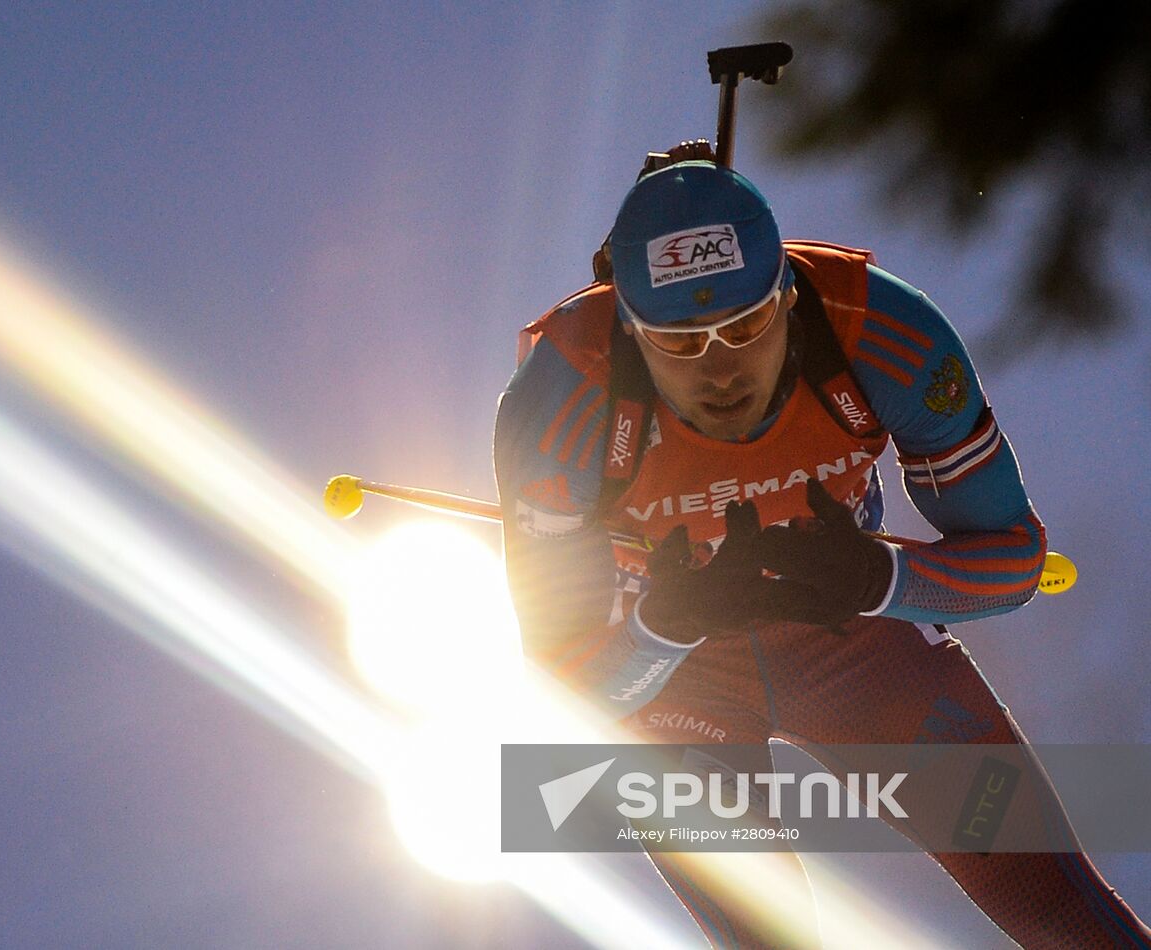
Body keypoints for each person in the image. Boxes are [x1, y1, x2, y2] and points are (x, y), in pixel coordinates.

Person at [493, 158, 1151, 949]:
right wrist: (664, 628)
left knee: (1047, 900)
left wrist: (880, 580)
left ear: (789, 299)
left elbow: (1012, 563)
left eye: (744, 326)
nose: (720, 369)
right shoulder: (557, 401)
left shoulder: (883, 330)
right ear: (629, 330)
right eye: (679, 341)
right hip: (681, 680)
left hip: (857, 640)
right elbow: (562, 695)